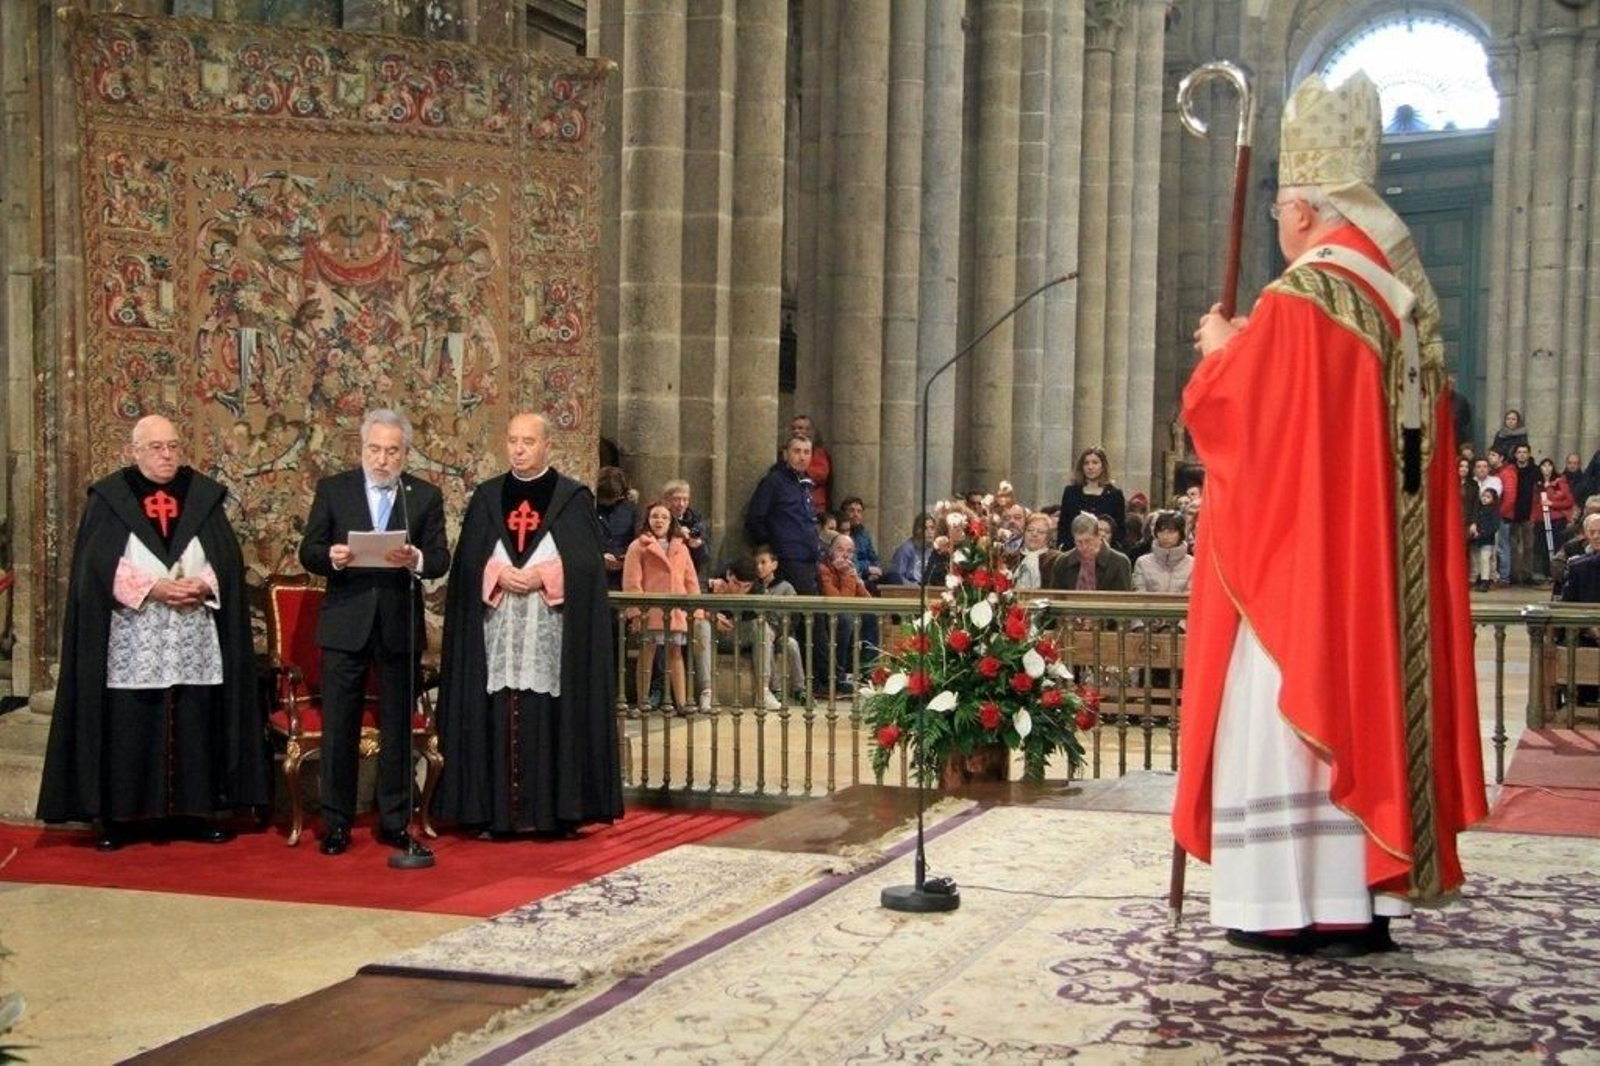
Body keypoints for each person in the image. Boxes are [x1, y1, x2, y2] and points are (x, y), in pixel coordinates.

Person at [1173, 73, 1486, 957]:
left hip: (1303, 572)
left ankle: (1281, 903)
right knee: (1363, 705)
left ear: (1305, 211)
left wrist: (1223, 352)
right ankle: (1357, 899)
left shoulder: (1304, 299)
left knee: (1278, 711)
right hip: (1378, 573)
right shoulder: (1398, 302)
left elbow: (1250, 429)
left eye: (1280, 210)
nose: (1276, 226)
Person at [38, 415, 267, 851]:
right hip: (133, 632)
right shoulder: (110, 497)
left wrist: (204, 584)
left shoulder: (200, 496)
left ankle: (198, 811)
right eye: (156, 447)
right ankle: (121, 817)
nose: (167, 456)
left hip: (191, 631)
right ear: (135, 451)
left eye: (173, 447)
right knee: (129, 720)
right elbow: (97, 566)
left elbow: (225, 560)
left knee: (195, 718)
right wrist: (153, 588)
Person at [433, 412, 623, 837]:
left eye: (528, 442)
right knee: (497, 713)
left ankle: (553, 814)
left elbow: (588, 567)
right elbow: (466, 563)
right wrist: (494, 573)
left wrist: (545, 576)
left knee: (550, 715)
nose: (518, 449)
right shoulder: (487, 496)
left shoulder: (572, 498)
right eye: (513, 441)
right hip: (499, 628)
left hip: (550, 631)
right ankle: (493, 813)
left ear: (546, 446)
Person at [299, 409, 451, 857]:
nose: (382, 459)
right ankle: (337, 823)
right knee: (339, 727)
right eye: (374, 449)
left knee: (397, 727)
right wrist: (333, 556)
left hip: (398, 624)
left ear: (405, 453)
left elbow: (440, 559)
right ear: (361, 449)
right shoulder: (335, 489)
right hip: (346, 622)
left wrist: (415, 558)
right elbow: (309, 549)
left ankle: (395, 821)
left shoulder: (421, 496)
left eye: (392, 451)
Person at [623, 500, 702, 713]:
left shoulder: (680, 547)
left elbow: (690, 579)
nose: (659, 521)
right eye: (655, 516)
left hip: (675, 609)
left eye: (664, 517)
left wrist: (697, 609)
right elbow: (632, 582)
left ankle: (682, 703)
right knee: (647, 652)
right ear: (648, 520)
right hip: (651, 609)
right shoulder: (639, 546)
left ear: (671, 521)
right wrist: (636, 612)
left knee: (675, 653)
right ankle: (642, 701)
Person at [1057, 447, 1127, 552]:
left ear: (1103, 466)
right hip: (1074, 550)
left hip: (1104, 552)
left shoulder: (1114, 495)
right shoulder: (1070, 492)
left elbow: (1119, 529)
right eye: (1086, 463)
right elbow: (1063, 525)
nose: (1090, 467)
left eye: (1095, 463)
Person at [1046, 512, 1132, 592]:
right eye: (1079, 542)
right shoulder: (1062, 563)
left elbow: (1123, 601)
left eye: (1088, 541)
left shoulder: (1119, 562)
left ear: (1099, 535)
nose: (1084, 547)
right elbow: (1056, 599)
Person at [595, 466, 637, 592]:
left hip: (622, 576)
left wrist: (626, 557)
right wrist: (599, 556)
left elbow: (637, 538)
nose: (607, 502)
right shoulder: (589, 507)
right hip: (594, 575)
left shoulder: (630, 510)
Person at [1131, 511, 1193, 595]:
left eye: (1171, 532)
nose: (1165, 536)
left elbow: (1191, 595)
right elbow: (1140, 594)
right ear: (1156, 533)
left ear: (1181, 533)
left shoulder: (1193, 564)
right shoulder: (1142, 562)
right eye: (1161, 531)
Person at [789, 413, 832, 515]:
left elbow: (820, 474)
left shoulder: (819, 453)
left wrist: (798, 470)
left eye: (800, 428)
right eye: (793, 428)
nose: (796, 431)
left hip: (815, 505)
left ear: (809, 431)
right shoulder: (785, 451)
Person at [1007, 512, 1061, 591]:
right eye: (1030, 530)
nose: (1034, 534)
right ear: (1024, 533)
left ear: (1048, 537)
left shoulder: (1056, 559)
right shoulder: (1011, 558)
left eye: (1040, 532)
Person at [1469, 487, 1501, 592]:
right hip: (1477, 539)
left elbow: (1494, 526)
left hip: (1487, 539)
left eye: (1488, 497)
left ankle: (1485, 581)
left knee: (1485, 560)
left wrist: (1482, 533)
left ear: (1493, 499)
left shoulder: (1494, 511)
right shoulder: (1478, 509)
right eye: (1483, 496)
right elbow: (1475, 521)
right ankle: (1479, 579)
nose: (1484, 499)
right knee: (1478, 560)